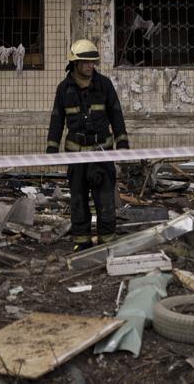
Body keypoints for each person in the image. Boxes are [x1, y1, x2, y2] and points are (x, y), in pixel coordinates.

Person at [46, 39, 129, 251]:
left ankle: (106, 244)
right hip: (76, 157)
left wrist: (122, 143)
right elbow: (57, 120)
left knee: (105, 201)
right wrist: (52, 148)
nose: (90, 66)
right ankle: (81, 244)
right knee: (78, 201)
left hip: (102, 154)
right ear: (75, 63)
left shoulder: (104, 85)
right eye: (85, 62)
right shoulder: (64, 89)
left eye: (92, 62)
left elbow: (116, 114)